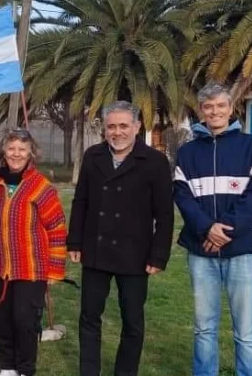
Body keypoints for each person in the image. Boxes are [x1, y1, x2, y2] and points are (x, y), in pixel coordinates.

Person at [67, 100, 174, 376]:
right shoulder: (93, 156)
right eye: (111, 126)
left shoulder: (155, 161)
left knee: (133, 322)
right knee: (89, 318)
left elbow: (164, 214)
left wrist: (159, 254)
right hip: (95, 250)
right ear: (104, 129)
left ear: (137, 126)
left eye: (123, 126)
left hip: (136, 255)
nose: (117, 132)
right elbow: (81, 202)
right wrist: (75, 241)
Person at [173, 82, 252, 376]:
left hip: (244, 251)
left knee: (246, 331)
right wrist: (206, 229)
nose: (214, 111)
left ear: (231, 109)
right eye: (208, 106)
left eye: (220, 106)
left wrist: (223, 230)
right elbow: (181, 195)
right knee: (204, 329)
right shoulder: (187, 152)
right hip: (202, 252)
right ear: (201, 111)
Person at [0, 128, 67, 376]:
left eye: (22, 149)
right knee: (3, 320)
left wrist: (55, 269)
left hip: (31, 268)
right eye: (11, 149)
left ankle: (25, 369)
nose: (16, 154)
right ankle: (7, 367)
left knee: (25, 322)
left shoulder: (41, 187)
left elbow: (57, 228)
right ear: (3, 151)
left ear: (31, 153)